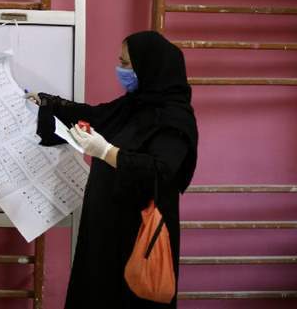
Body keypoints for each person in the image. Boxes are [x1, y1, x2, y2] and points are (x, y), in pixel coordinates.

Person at [27, 30, 198, 308]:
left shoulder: (174, 119)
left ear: (149, 67)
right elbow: (96, 115)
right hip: (105, 226)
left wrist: (107, 152)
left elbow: (160, 170)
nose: (120, 68)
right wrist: (49, 103)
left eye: (126, 63)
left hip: (138, 232)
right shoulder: (133, 105)